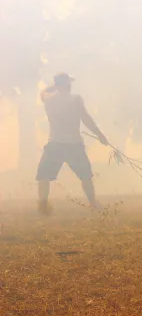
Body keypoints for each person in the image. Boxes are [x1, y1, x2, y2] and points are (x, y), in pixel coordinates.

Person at [36, 72, 108, 214]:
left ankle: (43, 205)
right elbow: (86, 118)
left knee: (44, 175)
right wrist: (99, 135)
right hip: (73, 144)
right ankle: (93, 202)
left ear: (57, 85)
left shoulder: (49, 99)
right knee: (85, 175)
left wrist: (52, 87)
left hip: (55, 144)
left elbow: (42, 93)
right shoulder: (75, 99)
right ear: (67, 84)